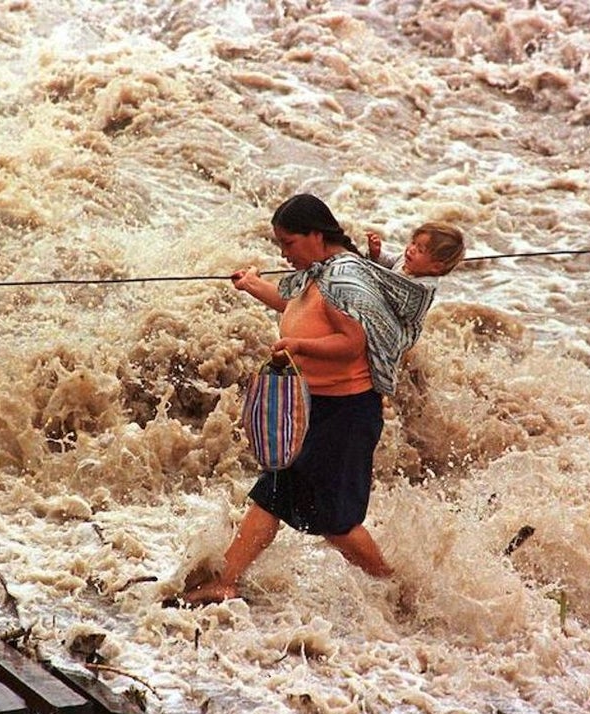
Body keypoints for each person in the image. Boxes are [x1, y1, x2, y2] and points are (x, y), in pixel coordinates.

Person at [183, 194, 438, 606]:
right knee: (272, 495)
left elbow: (352, 343)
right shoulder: (319, 273)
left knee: (338, 523)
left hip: (346, 415)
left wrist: (299, 346)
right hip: (313, 407)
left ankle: (400, 593)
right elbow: (298, 306)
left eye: (289, 243)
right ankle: (226, 581)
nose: (284, 253)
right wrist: (253, 285)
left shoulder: (344, 278)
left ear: (317, 236)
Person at [365, 221, 465, 282]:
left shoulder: (422, 286)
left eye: (420, 250)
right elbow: (387, 261)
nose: (412, 249)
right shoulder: (406, 259)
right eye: (413, 243)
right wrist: (376, 252)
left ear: (436, 267)